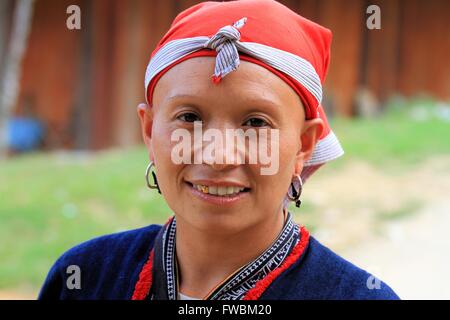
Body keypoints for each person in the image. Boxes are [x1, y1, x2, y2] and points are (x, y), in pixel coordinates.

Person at [39, 0, 399, 300]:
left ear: (304, 144)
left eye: (256, 123)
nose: (218, 155)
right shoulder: (85, 279)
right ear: (149, 131)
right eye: (190, 117)